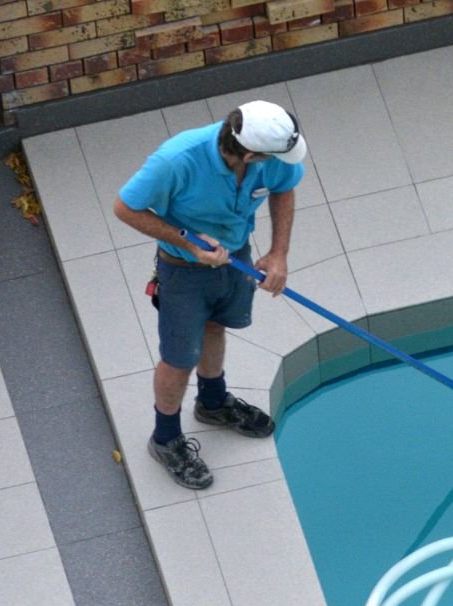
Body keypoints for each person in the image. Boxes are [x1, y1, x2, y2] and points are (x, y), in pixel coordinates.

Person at [112, 100, 308, 489]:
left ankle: (213, 403)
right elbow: (125, 208)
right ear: (249, 154)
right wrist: (187, 242)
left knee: (216, 327)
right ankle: (165, 438)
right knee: (179, 358)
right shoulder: (176, 160)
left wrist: (278, 253)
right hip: (183, 272)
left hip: (235, 258)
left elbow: (284, 188)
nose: (279, 163)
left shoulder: (270, 159)